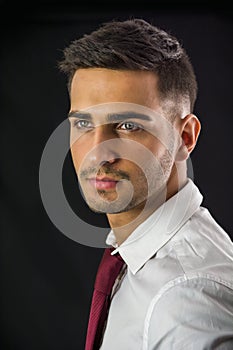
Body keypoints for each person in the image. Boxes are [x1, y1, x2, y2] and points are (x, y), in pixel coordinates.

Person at [58, 18, 233, 349]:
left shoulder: (188, 301)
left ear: (184, 137)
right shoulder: (134, 255)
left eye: (126, 125)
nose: (98, 153)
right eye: (83, 122)